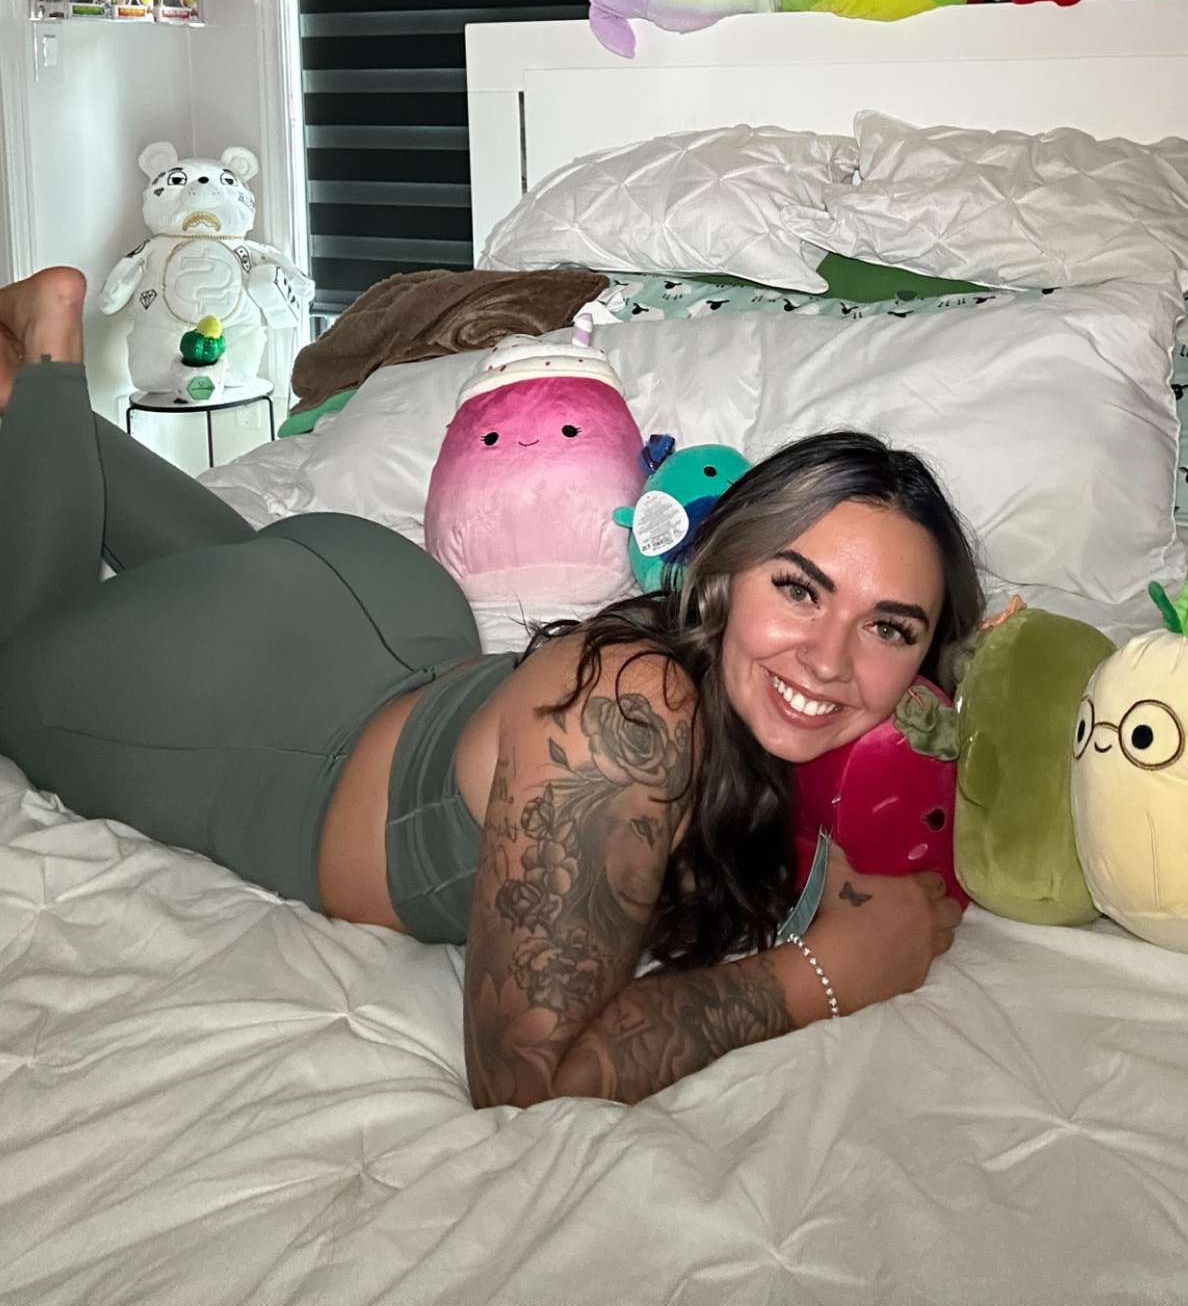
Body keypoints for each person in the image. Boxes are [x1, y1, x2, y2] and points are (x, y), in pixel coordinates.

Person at [0, 266, 980, 1111]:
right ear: (722, 573)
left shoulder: (843, 736)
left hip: (368, 604)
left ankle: (24, 402)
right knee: (18, 667)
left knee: (228, 581)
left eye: (889, 627)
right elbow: (525, 1076)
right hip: (290, 726)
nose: (828, 660)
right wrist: (819, 977)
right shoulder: (631, 713)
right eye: (798, 590)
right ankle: (46, 351)